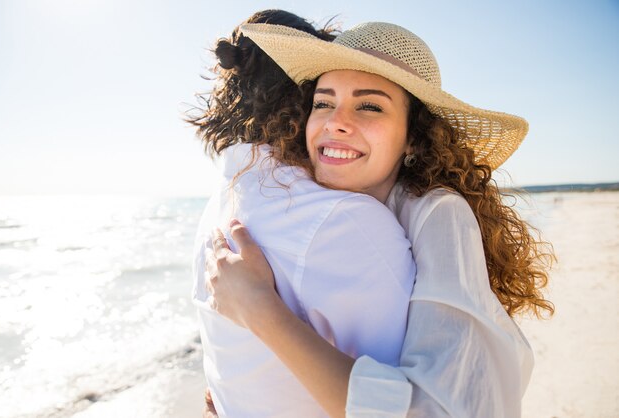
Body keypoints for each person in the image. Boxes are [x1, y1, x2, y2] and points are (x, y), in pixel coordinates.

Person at [206, 22, 554, 417]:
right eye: (323, 103)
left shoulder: (440, 214)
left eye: (369, 106)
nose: (336, 121)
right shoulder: (324, 207)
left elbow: (438, 409)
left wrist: (259, 310)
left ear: (413, 138)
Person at [187, 11, 417, 417]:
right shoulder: (346, 220)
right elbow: (416, 402)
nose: (337, 120)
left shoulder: (219, 204)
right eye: (324, 99)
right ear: (304, 98)